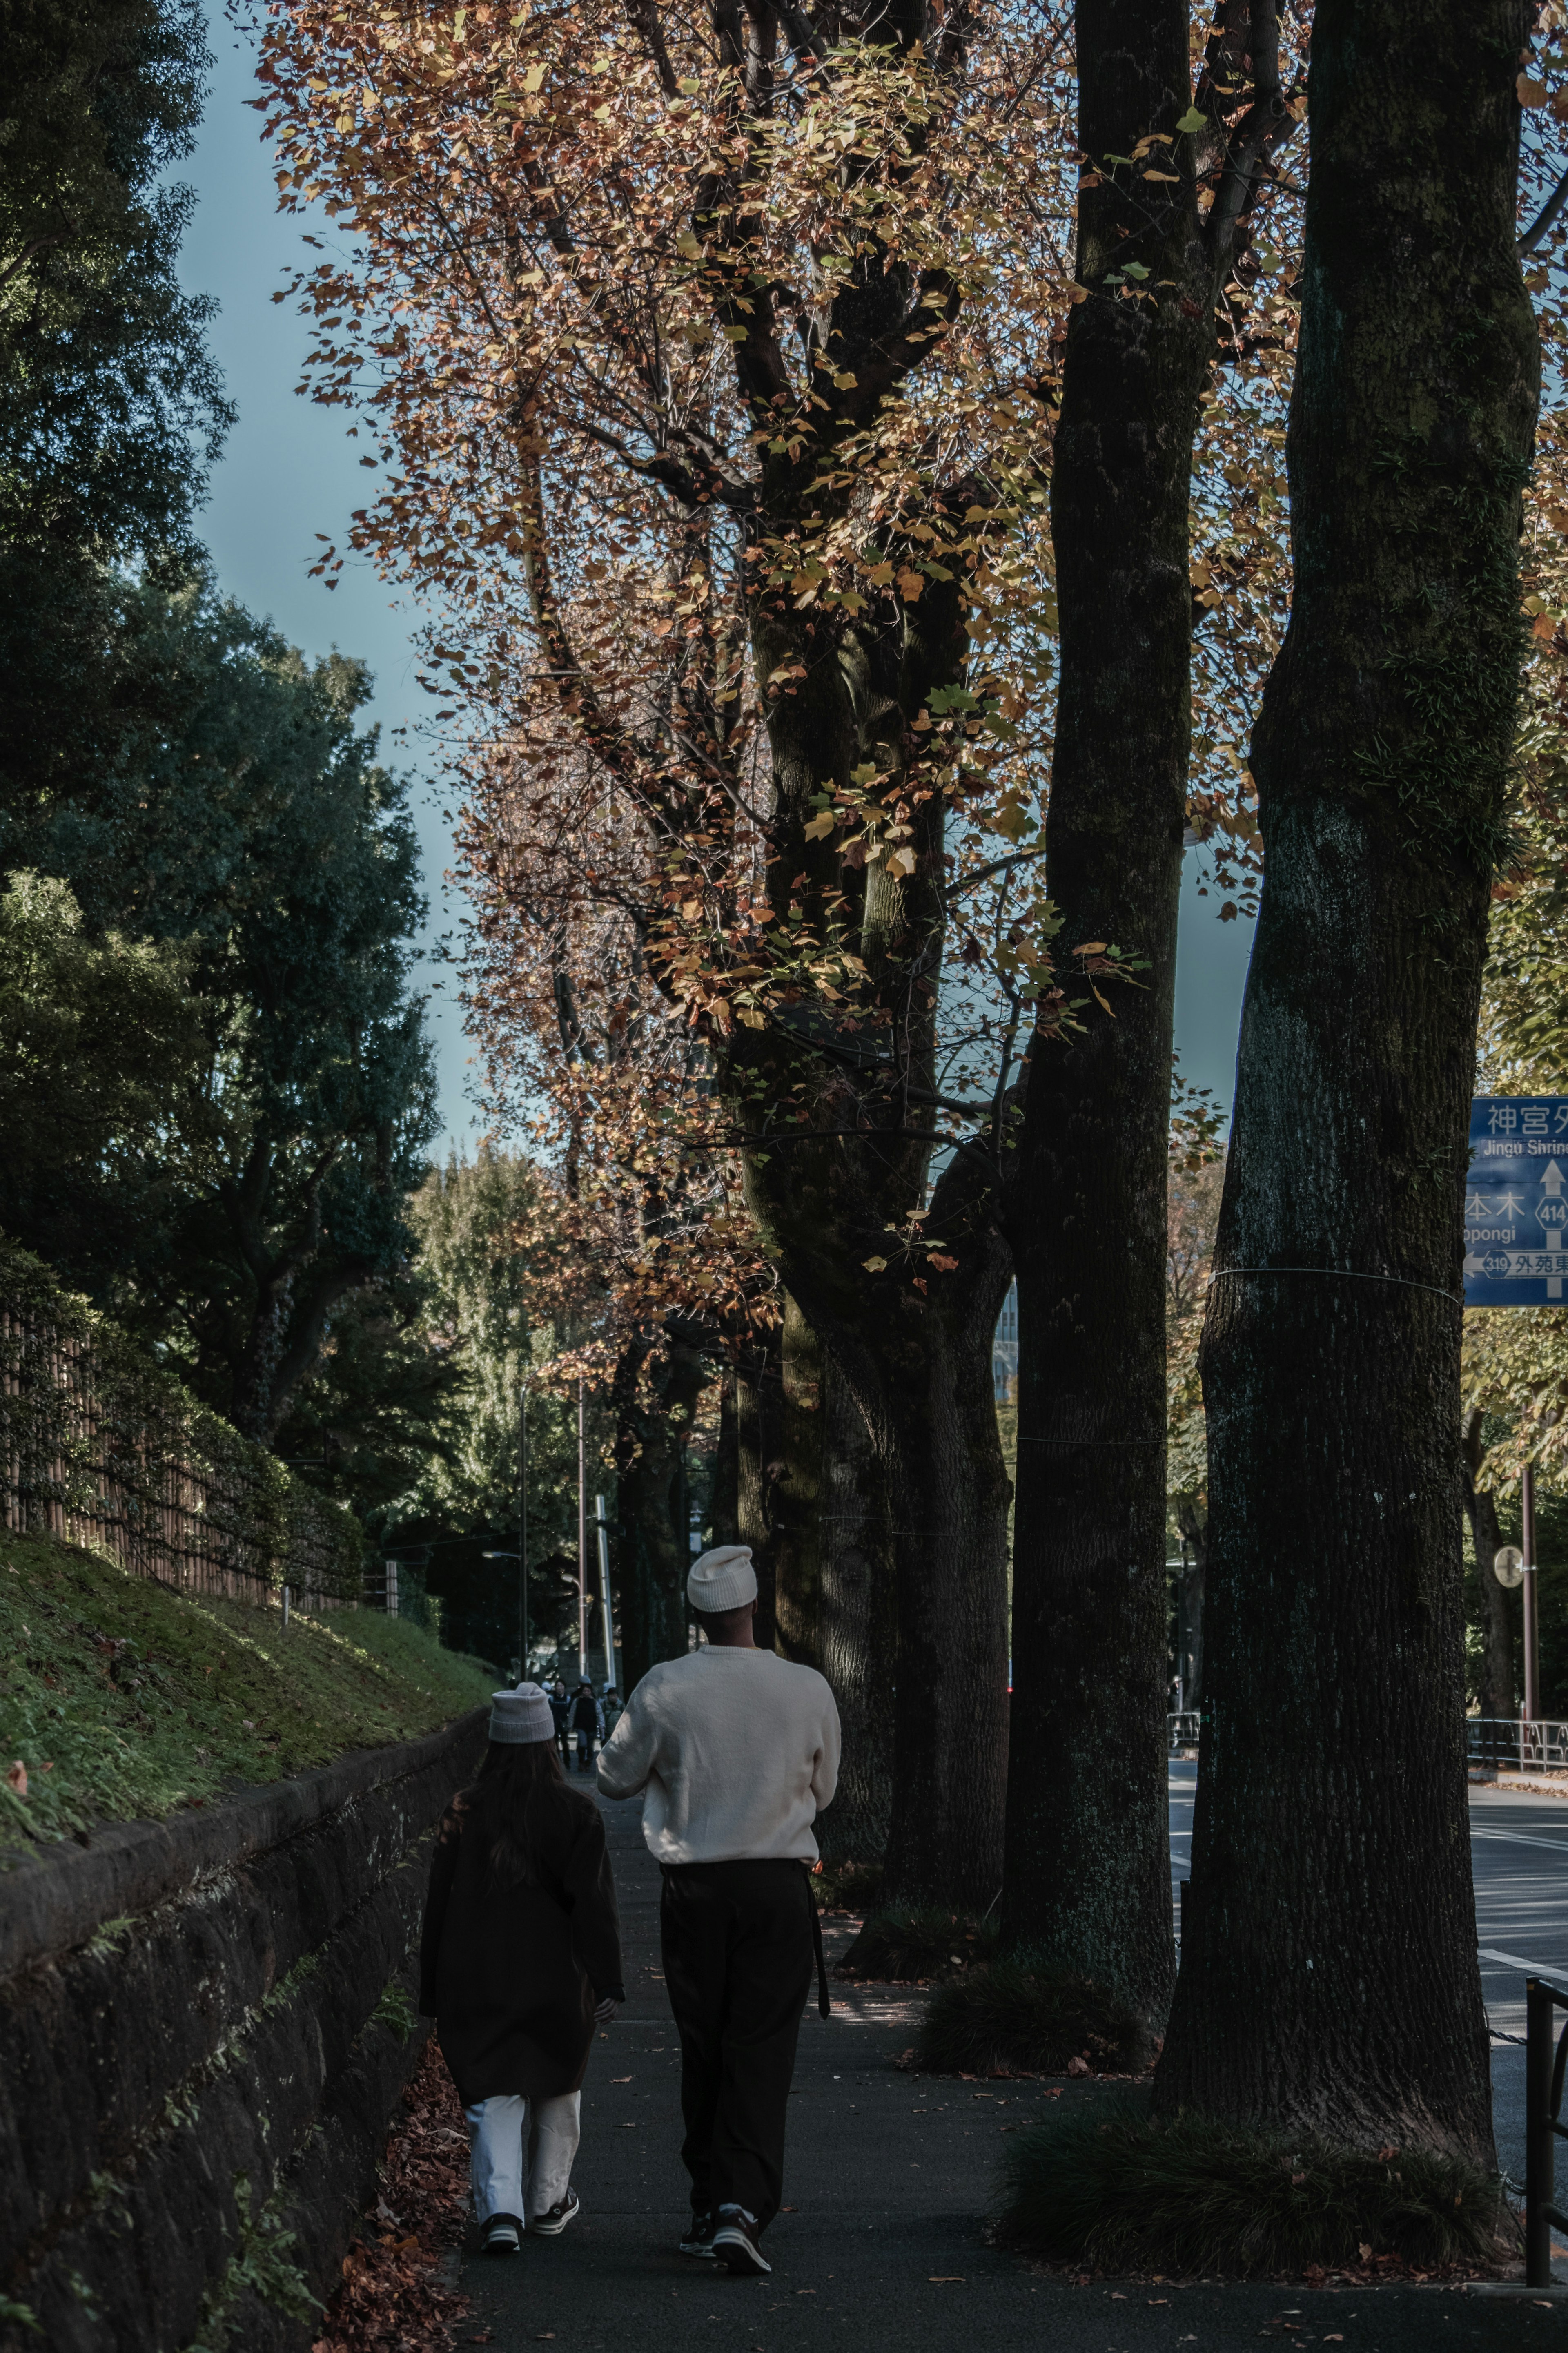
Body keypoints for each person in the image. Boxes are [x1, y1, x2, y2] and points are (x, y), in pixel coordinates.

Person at [597, 1544, 840, 2278]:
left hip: (695, 1889)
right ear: (754, 1605)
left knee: (704, 2044)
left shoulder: (665, 1687)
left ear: (696, 1614)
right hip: (776, 1886)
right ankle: (743, 2208)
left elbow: (612, 1777)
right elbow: (824, 1790)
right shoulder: (806, 1688)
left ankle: (709, 2203)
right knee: (762, 2047)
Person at [419, 1682, 625, 2255]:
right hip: (556, 1978)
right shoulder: (576, 1813)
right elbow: (595, 1905)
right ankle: (548, 2200)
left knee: (492, 2093)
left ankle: (500, 2210)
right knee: (558, 2084)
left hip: (475, 1974)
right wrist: (607, 1979)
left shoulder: (464, 1810)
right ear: (550, 1742)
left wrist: (430, 1987)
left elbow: (438, 1902)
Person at [570, 1679, 603, 1773]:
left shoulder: (594, 1702)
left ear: (591, 1692)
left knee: (590, 1747)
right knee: (583, 1744)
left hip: (592, 1727)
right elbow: (573, 1713)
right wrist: (570, 1726)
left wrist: (601, 1726)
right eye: (585, 1691)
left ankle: (588, 1763)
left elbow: (600, 1714)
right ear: (582, 1692)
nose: (586, 1693)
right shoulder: (577, 1701)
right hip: (580, 1727)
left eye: (588, 1691)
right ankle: (581, 1761)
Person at [548, 1677, 572, 1766]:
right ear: (555, 1688)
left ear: (564, 1687)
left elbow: (570, 1712)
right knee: (555, 1744)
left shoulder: (568, 1699)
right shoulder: (551, 1699)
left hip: (564, 1724)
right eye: (558, 1686)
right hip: (554, 1724)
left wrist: (570, 1725)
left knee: (565, 1743)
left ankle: (567, 1761)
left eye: (561, 1686)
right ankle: (556, 1762)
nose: (560, 1688)